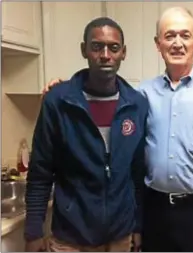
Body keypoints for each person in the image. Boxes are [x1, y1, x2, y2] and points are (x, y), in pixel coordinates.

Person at [43, 7, 193, 252]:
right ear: (158, 44)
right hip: (154, 212)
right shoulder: (142, 96)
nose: (177, 43)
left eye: (185, 35)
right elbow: (104, 96)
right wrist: (63, 90)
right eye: (169, 36)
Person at [24, 17, 148, 252]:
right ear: (84, 50)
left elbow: (137, 175)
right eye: (96, 46)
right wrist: (33, 232)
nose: (105, 55)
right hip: (70, 238)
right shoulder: (59, 101)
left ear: (124, 53)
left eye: (113, 47)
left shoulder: (137, 105)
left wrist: (137, 227)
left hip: (120, 237)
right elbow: (40, 173)